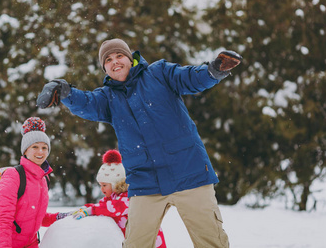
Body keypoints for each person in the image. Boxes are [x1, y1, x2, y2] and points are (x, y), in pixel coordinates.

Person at [36, 39, 242, 247]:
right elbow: (87, 102)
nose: (114, 62)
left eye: (119, 56)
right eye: (108, 60)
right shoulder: (108, 97)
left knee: (211, 241)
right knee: (135, 244)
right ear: (104, 68)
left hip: (189, 171)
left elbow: (190, 77)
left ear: (129, 57)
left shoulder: (159, 73)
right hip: (145, 181)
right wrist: (65, 92)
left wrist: (213, 71)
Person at [0, 117, 68, 248]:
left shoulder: (44, 179)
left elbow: (36, 217)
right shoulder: (13, 175)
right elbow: (4, 220)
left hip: (30, 244)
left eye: (44, 147)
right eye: (35, 147)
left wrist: (60, 217)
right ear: (25, 150)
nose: (40, 152)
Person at [71, 149, 167, 248]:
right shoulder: (112, 197)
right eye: (100, 185)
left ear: (115, 184)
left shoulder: (128, 197)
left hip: (149, 237)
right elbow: (101, 205)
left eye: (104, 185)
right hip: (134, 240)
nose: (102, 188)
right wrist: (85, 208)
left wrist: (90, 211)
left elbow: (111, 208)